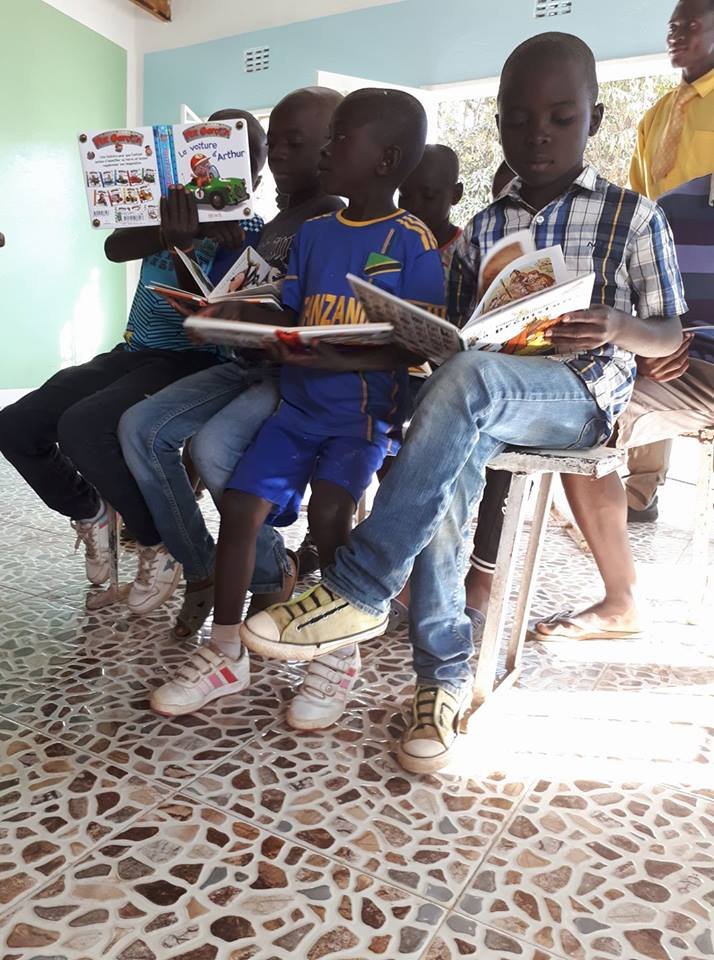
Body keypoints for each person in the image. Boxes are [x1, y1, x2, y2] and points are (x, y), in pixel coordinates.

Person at [235, 32, 685, 774]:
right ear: (499, 122)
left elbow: (667, 329)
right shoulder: (484, 227)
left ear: (596, 121)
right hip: (484, 392)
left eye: (561, 117)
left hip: (578, 395)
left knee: (468, 386)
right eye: (516, 118)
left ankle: (360, 584)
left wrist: (616, 324)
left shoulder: (633, 216)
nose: (536, 134)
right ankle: (438, 684)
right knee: (449, 454)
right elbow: (456, 330)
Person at [150, 88, 446, 732]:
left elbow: (420, 343)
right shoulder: (314, 236)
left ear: (386, 159)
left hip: (360, 417)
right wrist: (234, 318)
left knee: (333, 515)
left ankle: (334, 660)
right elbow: (293, 314)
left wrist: (336, 360)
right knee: (238, 508)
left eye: (342, 138)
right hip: (298, 410)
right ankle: (226, 652)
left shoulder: (411, 241)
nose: (329, 149)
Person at [0, 108, 266, 612]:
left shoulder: (251, 230)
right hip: (134, 349)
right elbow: (115, 245)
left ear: (257, 171)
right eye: (205, 153)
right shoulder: (169, 207)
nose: (217, 165)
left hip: (195, 360)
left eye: (243, 155)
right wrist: (169, 230)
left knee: (85, 426)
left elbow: (207, 323)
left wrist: (193, 240)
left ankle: (157, 541)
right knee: (15, 425)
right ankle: (93, 513)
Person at [119, 87, 344, 637]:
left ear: (330, 150)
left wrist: (244, 313)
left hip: (290, 374)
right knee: (140, 428)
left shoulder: (329, 220)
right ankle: (203, 567)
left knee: (214, 446)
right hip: (245, 365)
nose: (279, 156)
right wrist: (215, 298)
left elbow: (312, 320)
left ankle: (266, 568)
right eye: (277, 144)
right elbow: (234, 296)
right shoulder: (271, 223)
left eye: (292, 144)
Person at [534, 172, 714, 641]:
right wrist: (645, 352)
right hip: (686, 373)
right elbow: (648, 315)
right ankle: (621, 601)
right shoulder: (672, 207)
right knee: (581, 416)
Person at [627, 0, 714, 521]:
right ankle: (640, 492)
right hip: (665, 273)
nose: (677, 34)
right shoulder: (656, 114)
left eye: (692, 25)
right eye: (672, 26)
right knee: (649, 361)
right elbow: (639, 203)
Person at [399, 144, 464, 273]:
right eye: (405, 195)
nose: (414, 206)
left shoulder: (467, 255)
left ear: (456, 194)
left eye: (428, 196)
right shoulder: (388, 243)